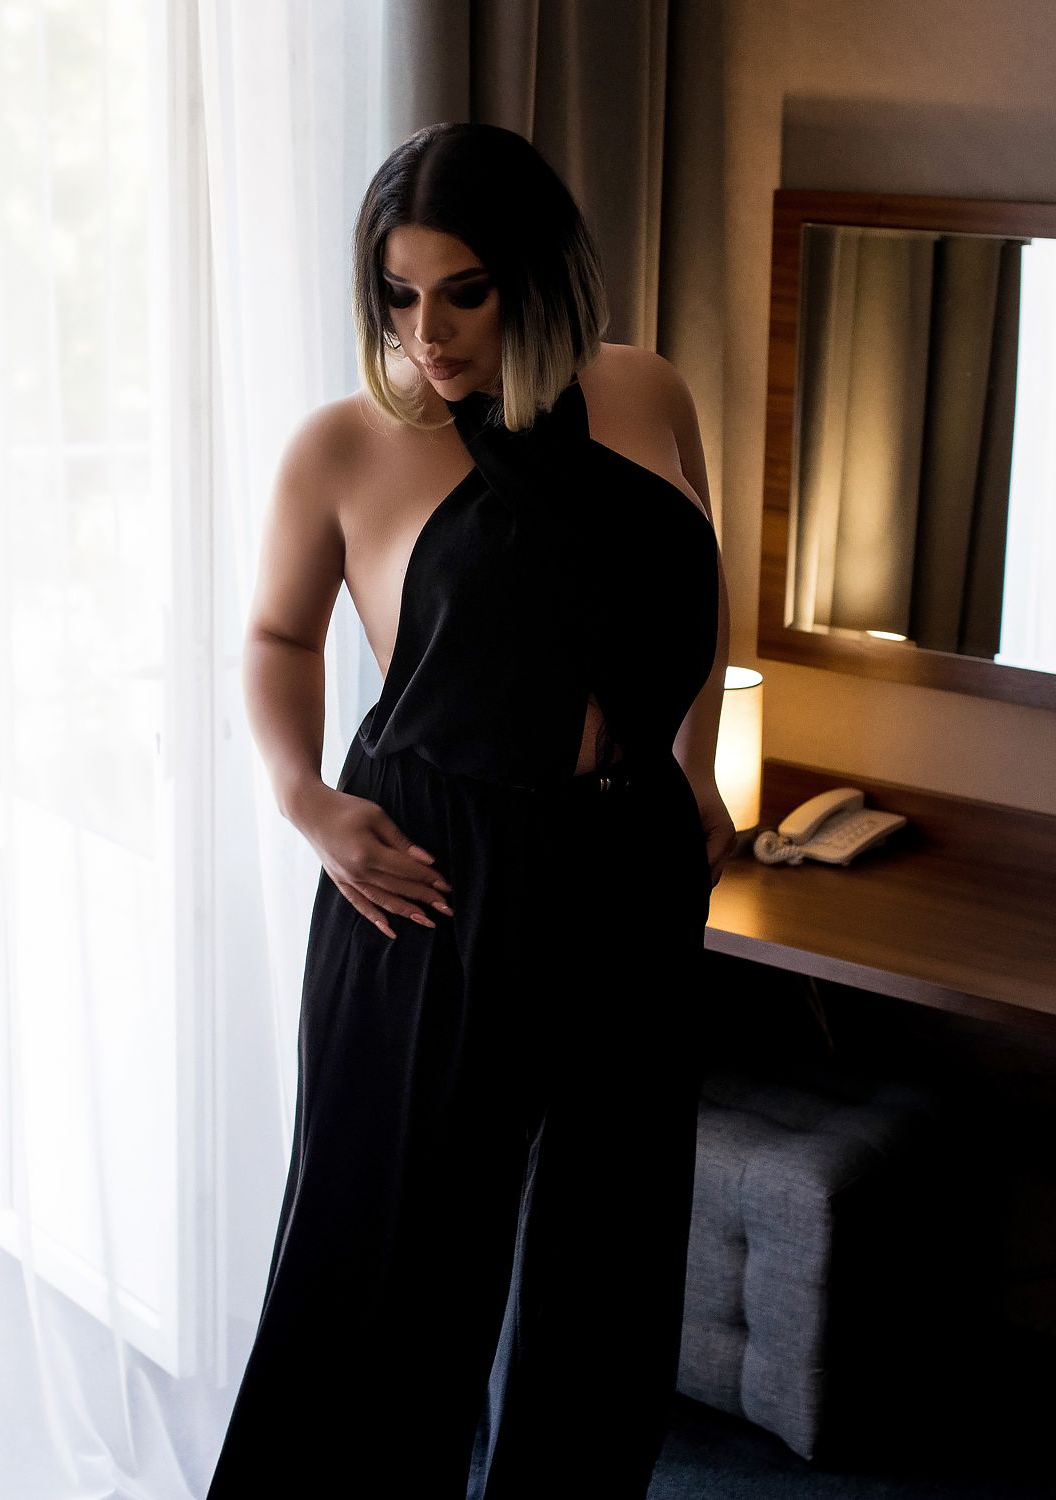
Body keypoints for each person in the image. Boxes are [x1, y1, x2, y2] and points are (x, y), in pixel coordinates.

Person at [206, 121, 734, 1500]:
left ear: (539, 276)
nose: (425, 334)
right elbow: (276, 637)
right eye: (396, 295)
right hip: (431, 874)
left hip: (626, 862)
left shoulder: (646, 391)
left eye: (464, 293)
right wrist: (306, 802)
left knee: (609, 1262)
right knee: (389, 1261)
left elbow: (697, 583)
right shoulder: (347, 445)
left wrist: (695, 767)